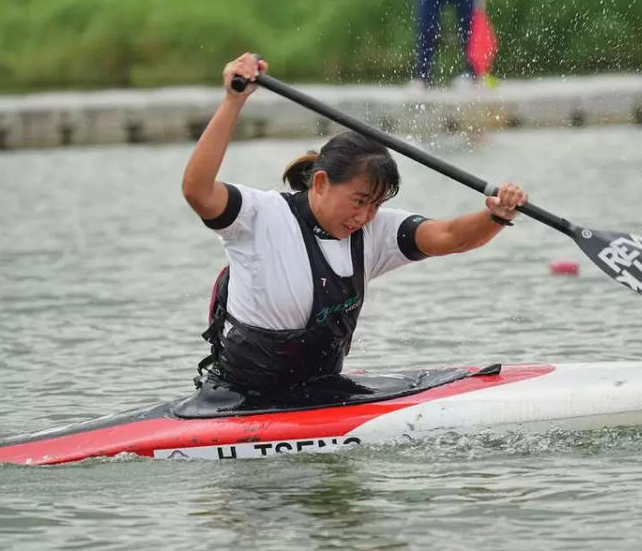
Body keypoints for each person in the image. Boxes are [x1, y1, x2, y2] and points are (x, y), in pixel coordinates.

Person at [182, 53, 527, 393]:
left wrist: (495, 215)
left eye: (376, 205)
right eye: (359, 201)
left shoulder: (374, 232)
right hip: (239, 396)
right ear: (320, 183)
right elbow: (197, 190)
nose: (364, 217)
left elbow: (451, 236)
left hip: (321, 391)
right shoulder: (259, 216)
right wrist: (233, 101)